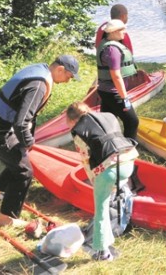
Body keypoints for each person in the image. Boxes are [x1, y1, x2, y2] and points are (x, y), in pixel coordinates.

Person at [0, 56, 79, 227]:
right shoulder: (38, 86)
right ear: (60, 69)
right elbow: (21, 122)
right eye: (69, 76)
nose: (68, 81)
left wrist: (24, 143)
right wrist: (29, 142)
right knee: (24, 171)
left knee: (17, 162)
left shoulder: (40, 69)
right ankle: (6, 218)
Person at [66, 102, 139, 261]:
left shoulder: (78, 131)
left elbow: (87, 161)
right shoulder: (107, 116)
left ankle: (102, 251)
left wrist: (95, 182)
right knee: (117, 190)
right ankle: (122, 223)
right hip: (129, 161)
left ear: (72, 120)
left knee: (101, 210)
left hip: (110, 170)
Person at [97, 19, 142, 139]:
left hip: (105, 91)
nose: (124, 32)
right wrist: (124, 98)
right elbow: (116, 76)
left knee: (107, 124)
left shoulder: (106, 44)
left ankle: (110, 147)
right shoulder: (112, 50)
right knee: (132, 121)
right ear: (113, 32)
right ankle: (129, 148)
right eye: (122, 30)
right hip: (113, 93)